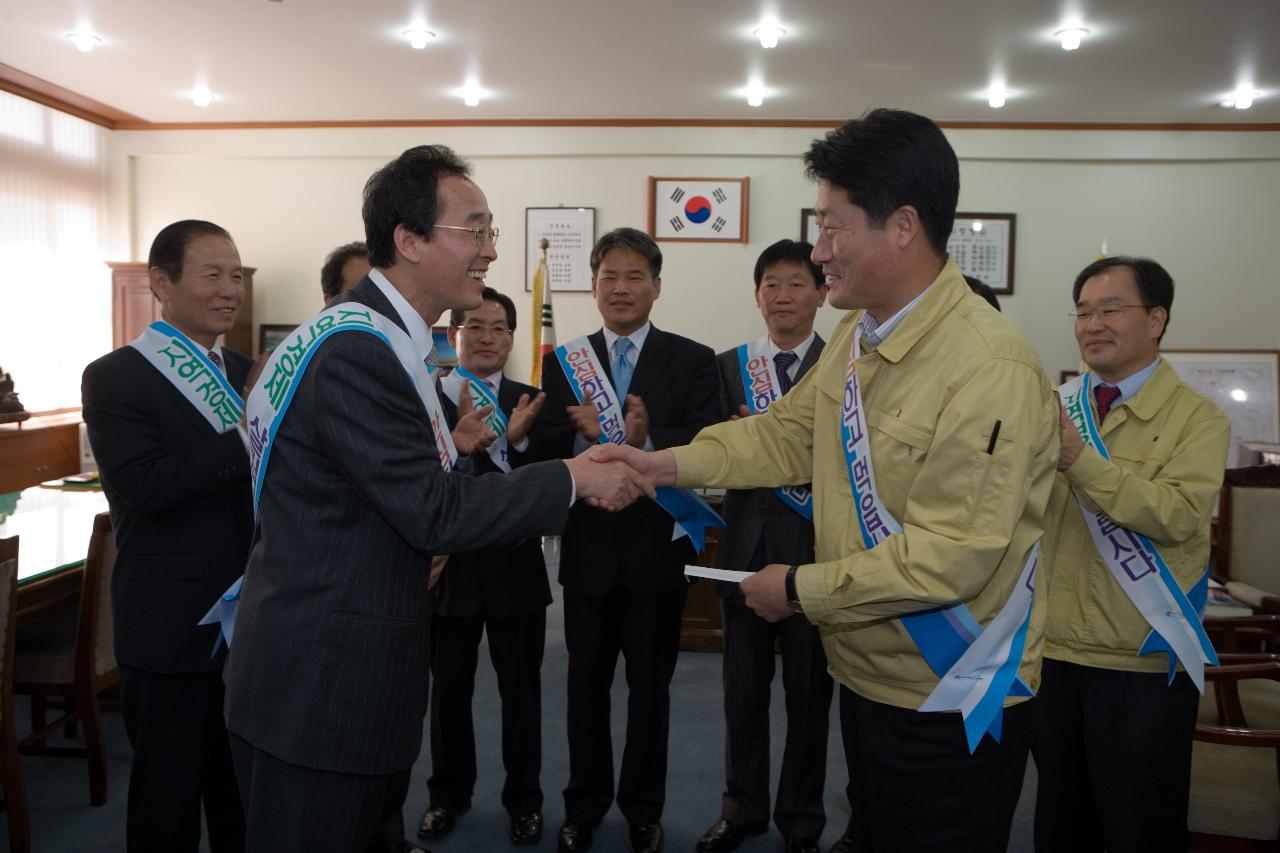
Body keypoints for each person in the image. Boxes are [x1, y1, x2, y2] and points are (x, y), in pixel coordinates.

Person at [596, 109, 1060, 853]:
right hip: (872, 672)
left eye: (833, 228)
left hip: (949, 690)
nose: (819, 252)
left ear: (902, 225)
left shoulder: (987, 366)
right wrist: (664, 463)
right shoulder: (856, 332)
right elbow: (786, 434)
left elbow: (953, 556)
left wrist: (799, 589)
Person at [222, 145, 651, 853]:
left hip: (339, 662)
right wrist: (574, 478)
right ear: (410, 240)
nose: (488, 251)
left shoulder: (388, 339)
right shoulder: (360, 349)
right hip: (322, 684)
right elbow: (434, 509)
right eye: (474, 230)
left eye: (491, 232)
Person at [1033, 257, 1229, 853]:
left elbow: (1175, 515)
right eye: (1084, 310)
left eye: (1111, 308)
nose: (1093, 323)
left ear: (1157, 319)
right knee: (1060, 824)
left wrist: (1080, 462)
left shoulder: (1199, 419)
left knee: (1138, 827)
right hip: (1051, 655)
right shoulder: (1052, 404)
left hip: (1140, 666)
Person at [539, 227, 723, 853]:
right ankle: (583, 806)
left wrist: (645, 440)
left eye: (634, 276)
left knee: (651, 692)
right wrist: (579, 440)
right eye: (609, 276)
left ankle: (645, 808)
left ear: (656, 286)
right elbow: (542, 452)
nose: (621, 288)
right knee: (583, 690)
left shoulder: (694, 358)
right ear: (592, 285)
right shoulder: (562, 362)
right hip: (588, 556)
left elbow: (706, 439)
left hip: (655, 554)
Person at [82, 219, 250, 852]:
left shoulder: (244, 370)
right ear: (161, 282)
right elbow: (145, 488)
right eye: (212, 275)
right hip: (171, 625)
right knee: (167, 800)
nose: (229, 290)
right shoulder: (116, 376)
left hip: (249, 615)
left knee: (239, 791)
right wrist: (244, 437)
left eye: (235, 275)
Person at [696, 239, 832, 853]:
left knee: (809, 698)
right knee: (742, 693)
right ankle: (742, 807)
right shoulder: (726, 368)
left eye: (796, 283)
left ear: (822, 294)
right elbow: (709, 454)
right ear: (756, 296)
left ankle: (801, 822)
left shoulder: (846, 367)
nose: (783, 295)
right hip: (744, 553)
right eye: (771, 284)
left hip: (817, 558)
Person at [416, 287, 552, 847]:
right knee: (449, 694)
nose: (487, 337)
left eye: (498, 327)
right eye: (475, 326)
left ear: (513, 338)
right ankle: (447, 795)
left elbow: (548, 485)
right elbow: (420, 487)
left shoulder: (531, 400)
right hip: (450, 573)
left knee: (522, 694)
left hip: (516, 570)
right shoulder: (426, 401)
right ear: (454, 337)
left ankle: (524, 800)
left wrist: (510, 446)